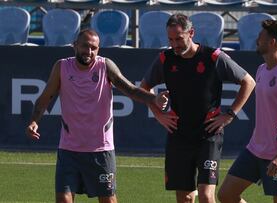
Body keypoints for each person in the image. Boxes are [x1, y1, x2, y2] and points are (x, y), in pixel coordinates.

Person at [25, 29, 164, 203]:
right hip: (69, 149)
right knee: (63, 199)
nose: (89, 52)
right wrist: (33, 121)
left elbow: (131, 90)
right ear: (75, 45)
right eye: (85, 46)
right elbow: (45, 97)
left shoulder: (105, 66)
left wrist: (154, 98)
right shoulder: (62, 67)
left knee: (108, 200)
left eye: (94, 48)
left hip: (101, 149)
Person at [140, 13, 256, 203]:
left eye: (179, 38)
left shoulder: (213, 57)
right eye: (170, 39)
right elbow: (143, 88)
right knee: (185, 197)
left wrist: (230, 114)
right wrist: (158, 112)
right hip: (178, 135)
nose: (174, 44)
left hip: (208, 135)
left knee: (205, 195)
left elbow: (248, 82)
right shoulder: (165, 59)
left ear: (191, 33)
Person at [217, 19, 277, 203]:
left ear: (272, 42)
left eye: (261, 37)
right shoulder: (261, 69)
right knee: (226, 195)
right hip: (255, 149)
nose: (257, 40)